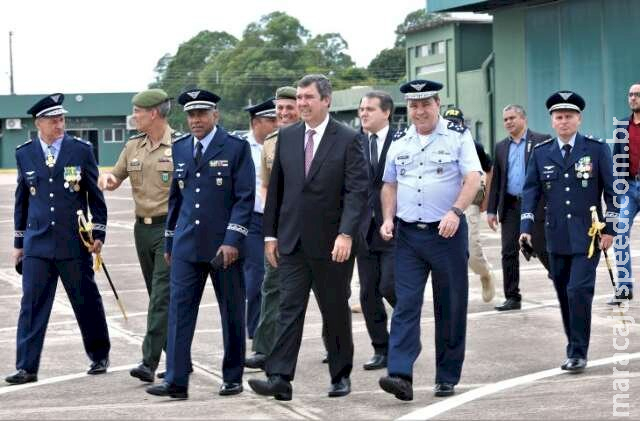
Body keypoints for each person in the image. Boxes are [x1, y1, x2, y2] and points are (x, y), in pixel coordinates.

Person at [248, 74, 368, 400]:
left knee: (334, 310)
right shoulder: (285, 138)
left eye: (308, 98)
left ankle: (340, 375)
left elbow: (357, 192)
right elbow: (276, 192)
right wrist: (270, 236)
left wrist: (346, 234)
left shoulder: (347, 138)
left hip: (333, 245)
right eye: (299, 98)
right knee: (289, 309)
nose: (301, 103)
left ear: (326, 100)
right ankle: (280, 378)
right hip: (291, 242)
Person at [146, 89, 255, 399]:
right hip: (186, 246)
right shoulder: (179, 149)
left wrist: (233, 239)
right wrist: (169, 241)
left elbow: (244, 198)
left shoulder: (235, 148)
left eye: (202, 114)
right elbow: (176, 199)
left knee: (231, 312)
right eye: (191, 115)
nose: (196, 120)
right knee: (179, 313)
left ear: (215, 115)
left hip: (224, 248)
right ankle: (176, 380)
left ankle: (232, 377)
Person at [378, 79, 481, 400]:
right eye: (413, 105)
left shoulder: (458, 136)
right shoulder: (399, 140)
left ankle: (446, 376)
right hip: (408, 235)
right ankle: (400, 374)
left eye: (425, 104)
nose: (419, 111)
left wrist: (455, 211)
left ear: (437, 104)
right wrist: (387, 218)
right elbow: (389, 184)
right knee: (406, 304)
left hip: (446, 234)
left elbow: (474, 178)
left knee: (449, 306)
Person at [6, 93, 111, 385]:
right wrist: (18, 244)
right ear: (38, 123)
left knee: (86, 300)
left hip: (73, 241)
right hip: (37, 243)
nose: (59, 124)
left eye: (61, 119)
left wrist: (98, 233)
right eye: (53, 120)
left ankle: (99, 355)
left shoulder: (81, 150)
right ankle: (27, 366)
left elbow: (95, 196)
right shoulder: (24, 153)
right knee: (32, 305)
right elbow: (22, 200)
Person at [519, 91, 616, 373]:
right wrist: (525, 228)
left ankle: (577, 352)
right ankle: (574, 343)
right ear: (552, 121)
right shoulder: (541, 153)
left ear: (579, 119)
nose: (564, 122)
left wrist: (610, 228)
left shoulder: (596, 149)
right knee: (563, 292)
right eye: (559, 117)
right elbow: (531, 192)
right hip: (555, 235)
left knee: (578, 291)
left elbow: (612, 192)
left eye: (569, 116)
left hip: (588, 236)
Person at [98, 89, 181, 382]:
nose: (134, 116)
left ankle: (149, 362)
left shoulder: (180, 146)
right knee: (158, 296)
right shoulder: (133, 146)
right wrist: (107, 179)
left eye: (138, 111)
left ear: (154, 112)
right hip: (141, 230)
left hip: (169, 229)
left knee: (160, 295)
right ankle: (180, 357)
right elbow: (114, 176)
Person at [246, 87, 299, 370]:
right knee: (271, 286)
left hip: (316, 228)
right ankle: (264, 349)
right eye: (280, 108)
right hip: (281, 229)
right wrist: (273, 225)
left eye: (289, 107)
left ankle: (336, 349)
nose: (284, 113)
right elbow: (265, 187)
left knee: (331, 294)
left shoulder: (320, 138)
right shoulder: (271, 142)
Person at [487, 105, 552, 311]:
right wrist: (491, 210)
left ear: (523, 118)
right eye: (505, 119)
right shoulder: (500, 147)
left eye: (512, 118)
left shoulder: (542, 141)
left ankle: (564, 282)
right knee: (508, 251)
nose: (508, 122)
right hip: (511, 206)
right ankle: (513, 297)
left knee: (542, 247)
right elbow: (496, 180)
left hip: (536, 205)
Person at [355, 90, 399, 371]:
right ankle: (381, 349)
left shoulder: (402, 140)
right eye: (361, 109)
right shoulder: (354, 143)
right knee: (368, 292)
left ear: (386, 112)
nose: (363, 114)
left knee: (389, 286)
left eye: (370, 109)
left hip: (394, 226)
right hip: (363, 228)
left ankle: (404, 338)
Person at [443, 107, 495, 303]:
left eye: (457, 123)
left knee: (472, 251)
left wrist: (486, 199)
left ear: (463, 125)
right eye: (450, 123)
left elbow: (489, 170)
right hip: (442, 205)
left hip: (468, 203)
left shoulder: (474, 145)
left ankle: (485, 273)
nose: (454, 127)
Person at [242, 98, 277, 339]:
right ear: (256, 123)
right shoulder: (240, 148)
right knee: (256, 280)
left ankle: (275, 334)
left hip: (280, 220)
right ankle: (256, 335)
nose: (277, 123)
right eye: (271, 120)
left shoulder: (282, 143)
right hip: (253, 221)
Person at [610, 82, 640, 304]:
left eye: (637, 95)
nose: (633, 98)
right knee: (620, 236)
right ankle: (624, 288)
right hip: (628, 189)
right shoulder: (622, 125)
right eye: (630, 94)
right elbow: (615, 158)